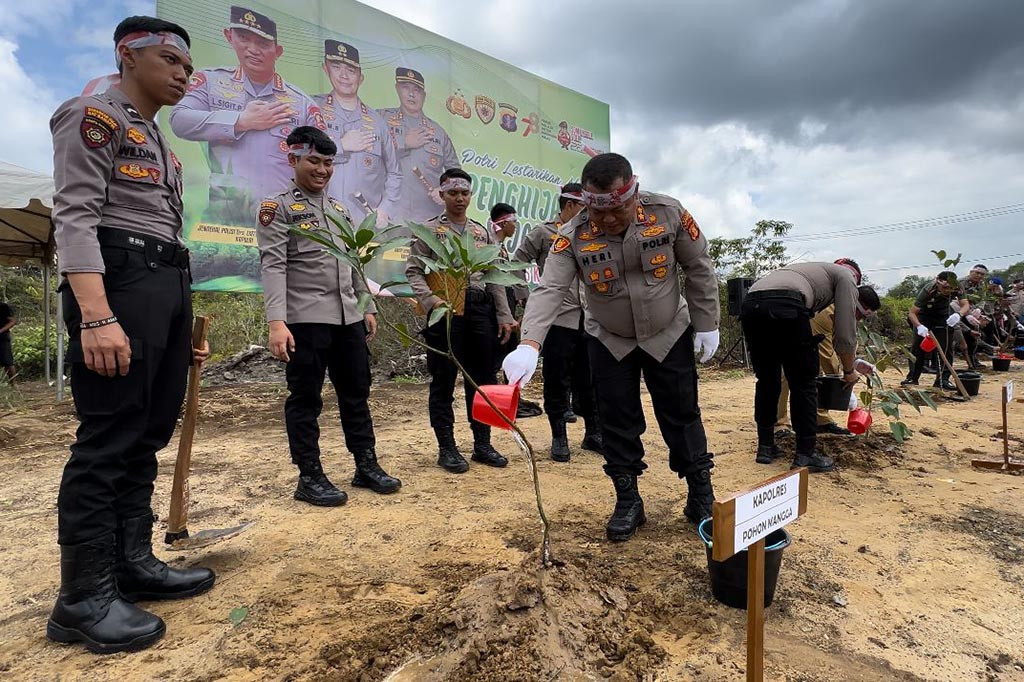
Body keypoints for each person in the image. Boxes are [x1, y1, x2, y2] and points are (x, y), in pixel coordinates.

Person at [47, 16, 214, 654]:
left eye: (189, 68)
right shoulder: (94, 115)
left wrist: (178, 322)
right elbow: (77, 215)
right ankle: (82, 598)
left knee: (147, 430)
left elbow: (165, 230)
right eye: (171, 60)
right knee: (109, 434)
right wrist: (96, 314)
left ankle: (130, 564)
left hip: (161, 285)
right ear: (128, 54)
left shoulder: (159, 143)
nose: (183, 74)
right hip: (117, 281)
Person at [504, 153, 721, 542]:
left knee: (682, 414)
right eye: (597, 210)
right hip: (608, 338)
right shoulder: (571, 234)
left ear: (633, 193)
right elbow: (551, 287)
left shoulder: (668, 213)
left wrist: (707, 323)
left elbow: (699, 266)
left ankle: (700, 495)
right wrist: (530, 343)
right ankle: (628, 499)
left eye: (617, 209)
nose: (606, 220)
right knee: (616, 419)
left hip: (667, 332)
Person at [257, 126, 400, 506]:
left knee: (357, 394)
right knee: (305, 399)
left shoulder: (338, 210)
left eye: (328, 163)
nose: (322, 170)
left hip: (347, 319)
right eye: (314, 161)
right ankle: (309, 475)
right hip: (304, 320)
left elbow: (352, 260)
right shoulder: (279, 207)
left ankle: (365, 465)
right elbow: (273, 266)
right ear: (293, 159)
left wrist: (365, 306)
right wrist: (276, 322)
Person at [169, 6, 326, 224]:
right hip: (227, 215)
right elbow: (179, 120)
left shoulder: (302, 103)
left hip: (284, 217)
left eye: (263, 43)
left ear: (277, 50)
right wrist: (240, 121)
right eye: (244, 38)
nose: (253, 49)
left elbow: (322, 163)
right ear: (229, 37)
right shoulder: (211, 83)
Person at [405, 168, 516, 473]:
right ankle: (447, 448)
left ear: (470, 195)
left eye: (464, 193)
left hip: (480, 311)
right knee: (443, 379)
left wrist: (504, 314)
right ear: (441, 195)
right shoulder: (429, 231)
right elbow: (414, 271)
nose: (459, 198)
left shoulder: (481, 233)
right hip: (445, 311)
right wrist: (431, 302)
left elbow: (493, 276)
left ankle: (483, 444)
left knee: (483, 380)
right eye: (453, 193)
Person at [740, 260, 881, 473]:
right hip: (788, 303)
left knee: (767, 380)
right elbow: (845, 333)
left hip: (751, 305)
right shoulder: (847, 279)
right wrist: (849, 371)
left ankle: (766, 448)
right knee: (804, 382)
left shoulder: (814, 272)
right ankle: (805, 454)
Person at [512, 184, 602, 462]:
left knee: (590, 379)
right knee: (556, 378)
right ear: (569, 205)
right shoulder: (543, 233)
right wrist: (527, 298)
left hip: (589, 318)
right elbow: (517, 262)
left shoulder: (590, 232)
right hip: (558, 319)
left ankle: (593, 433)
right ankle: (558, 436)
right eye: (583, 207)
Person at [315, 41, 401, 229]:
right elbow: (295, 155)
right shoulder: (313, 110)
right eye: (336, 67)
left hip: (364, 228)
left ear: (361, 77)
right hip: (321, 225)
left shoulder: (378, 122)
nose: (344, 76)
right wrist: (340, 145)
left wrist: (385, 209)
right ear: (326, 69)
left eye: (351, 70)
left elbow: (395, 172)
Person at [380, 68, 461, 224]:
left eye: (417, 90)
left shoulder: (438, 132)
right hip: (390, 216)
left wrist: (445, 191)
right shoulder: (381, 120)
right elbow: (368, 158)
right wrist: (403, 143)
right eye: (406, 88)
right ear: (397, 89)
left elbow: (456, 173)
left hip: (429, 220)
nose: (411, 94)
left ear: (424, 96)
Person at [774, 304, 857, 437]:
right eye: (860, 315)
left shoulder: (841, 313)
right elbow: (827, 355)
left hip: (805, 326)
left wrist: (852, 366)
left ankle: (820, 419)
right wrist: (843, 379)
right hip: (785, 320)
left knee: (815, 371)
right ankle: (780, 424)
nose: (859, 320)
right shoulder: (827, 313)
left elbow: (841, 345)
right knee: (785, 372)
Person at [901, 272, 969, 390]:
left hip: (944, 315)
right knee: (918, 348)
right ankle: (912, 377)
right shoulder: (928, 289)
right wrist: (919, 326)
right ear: (937, 281)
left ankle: (942, 380)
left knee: (946, 347)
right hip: (924, 316)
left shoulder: (957, 286)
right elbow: (912, 313)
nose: (948, 291)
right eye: (945, 287)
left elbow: (965, 304)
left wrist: (959, 314)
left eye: (950, 288)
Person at [0, 300, 16, 383]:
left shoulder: (3, 307)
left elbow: (12, 321)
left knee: (8, 362)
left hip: (2, 338)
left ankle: (13, 384)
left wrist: (1, 330)